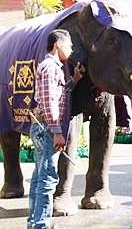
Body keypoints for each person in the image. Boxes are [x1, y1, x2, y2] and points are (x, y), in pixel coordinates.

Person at [28, 29, 85, 229]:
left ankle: (35, 222)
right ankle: (41, 224)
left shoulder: (52, 68)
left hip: (43, 126)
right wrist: (57, 131)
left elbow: (58, 93)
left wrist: (74, 80)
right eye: (69, 45)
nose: (71, 50)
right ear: (58, 44)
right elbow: (49, 100)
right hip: (46, 128)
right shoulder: (50, 67)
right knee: (48, 178)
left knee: (38, 177)